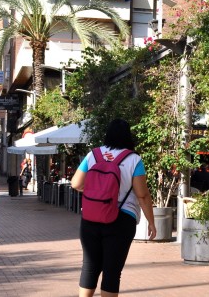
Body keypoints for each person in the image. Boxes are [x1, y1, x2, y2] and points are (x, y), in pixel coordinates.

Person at [71, 119, 156, 297]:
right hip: (121, 220)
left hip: (91, 217)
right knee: (112, 271)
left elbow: (76, 183)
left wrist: (97, 192)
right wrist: (151, 222)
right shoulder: (134, 159)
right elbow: (142, 194)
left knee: (89, 267)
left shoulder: (93, 155)